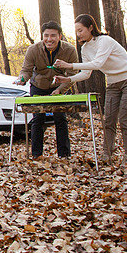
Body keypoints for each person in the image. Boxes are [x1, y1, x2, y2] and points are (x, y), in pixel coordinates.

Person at [53, 13, 127, 166]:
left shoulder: (105, 41)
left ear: (90, 27)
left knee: (126, 121)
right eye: (76, 31)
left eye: (81, 30)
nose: (78, 34)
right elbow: (86, 73)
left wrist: (69, 65)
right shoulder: (85, 48)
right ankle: (107, 154)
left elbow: (97, 64)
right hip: (113, 84)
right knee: (109, 120)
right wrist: (68, 79)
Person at [14, 20, 79, 158]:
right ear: (42, 36)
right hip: (38, 87)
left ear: (60, 36)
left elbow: (73, 75)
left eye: (53, 35)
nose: (49, 39)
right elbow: (26, 70)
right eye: (46, 35)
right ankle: (36, 154)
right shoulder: (33, 50)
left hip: (58, 87)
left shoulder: (69, 50)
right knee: (38, 120)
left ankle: (64, 155)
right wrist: (22, 79)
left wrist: (60, 90)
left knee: (60, 119)